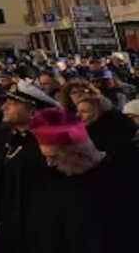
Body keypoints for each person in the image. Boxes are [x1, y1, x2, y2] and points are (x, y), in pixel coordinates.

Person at [27, 108, 138, 253]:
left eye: (54, 157)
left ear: (78, 153)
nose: (49, 163)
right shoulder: (54, 179)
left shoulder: (124, 177)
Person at [0, 79, 59, 253]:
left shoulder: (48, 145)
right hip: (11, 224)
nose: (4, 107)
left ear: (32, 112)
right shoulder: (8, 138)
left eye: (12, 103)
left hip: (38, 230)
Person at [74, 90, 137, 157]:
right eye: (77, 111)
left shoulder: (115, 138)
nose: (77, 115)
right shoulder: (86, 133)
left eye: (84, 111)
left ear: (100, 112)